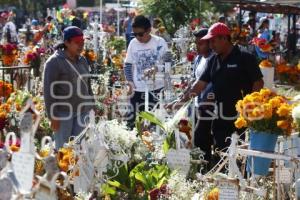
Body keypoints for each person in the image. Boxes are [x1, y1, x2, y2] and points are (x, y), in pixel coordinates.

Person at [166, 22, 264, 155]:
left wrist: (250, 107)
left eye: (213, 41)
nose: (211, 46)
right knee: (220, 151)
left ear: (224, 38)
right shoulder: (214, 61)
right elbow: (199, 84)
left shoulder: (244, 57)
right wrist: (181, 101)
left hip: (241, 118)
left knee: (239, 153)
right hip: (219, 115)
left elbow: (258, 83)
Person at [43, 26, 95, 149]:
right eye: (77, 43)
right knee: (63, 150)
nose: (81, 46)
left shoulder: (82, 60)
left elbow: (87, 85)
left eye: (82, 43)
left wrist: (92, 105)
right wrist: (53, 116)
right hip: (63, 114)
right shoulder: (54, 62)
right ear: (66, 42)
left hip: (82, 111)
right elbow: (48, 92)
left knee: (79, 150)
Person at [124, 15, 168, 129]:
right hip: (138, 90)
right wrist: (130, 82)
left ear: (149, 30)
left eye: (140, 34)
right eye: (135, 34)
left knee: (155, 124)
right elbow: (128, 64)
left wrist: (156, 68)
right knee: (132, 123)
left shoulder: (160, 42)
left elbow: (168, 62)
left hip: (156, 89)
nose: (137, 37)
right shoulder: (133, 43)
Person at [191, 28, 214, 162]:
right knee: (199, 137)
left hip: (209, 106)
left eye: (200, 43)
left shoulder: (214, 60)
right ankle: (202, 164)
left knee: (201, 136)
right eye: (196, 43)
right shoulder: (199, 58)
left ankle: (206, 164)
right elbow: (195, 80)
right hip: (197, 103)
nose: (197, 47)